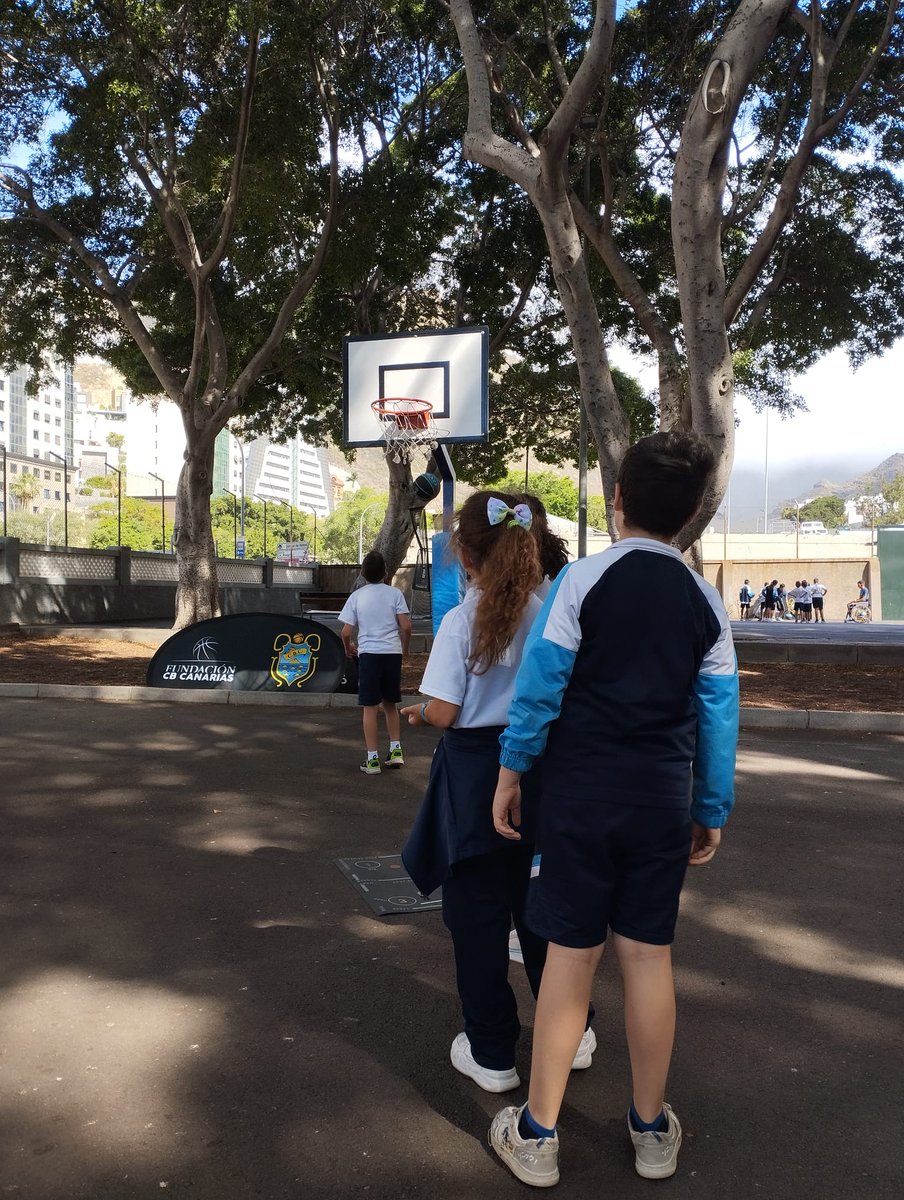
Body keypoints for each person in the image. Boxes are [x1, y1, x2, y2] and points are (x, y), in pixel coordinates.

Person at [487, 431, 739, 1188]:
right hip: (661, 803)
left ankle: (536, 1136)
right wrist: (710, 805)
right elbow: (719, 713)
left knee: (571, 959)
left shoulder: (582, 582)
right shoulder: (704, 600)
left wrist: (511, 771)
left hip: (578, 802)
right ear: (692, 513)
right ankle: (651, 1129)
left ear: (616, 499)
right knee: (647, 958)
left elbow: (539, 690)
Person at [400, 491, 595, 1095]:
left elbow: (446, 709)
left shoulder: (461, 621)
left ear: (464, 553)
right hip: (543, 770)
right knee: (545, 910)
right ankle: (576, 1034)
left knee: (477, 915)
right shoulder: (554, 613)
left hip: (473, 774)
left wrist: (418, 712)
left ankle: (491, 1051)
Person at [338, 550, 411, 774]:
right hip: (392, 653)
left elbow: (346, 631)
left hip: (369, 654)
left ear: (363, 573)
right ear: (386, 573)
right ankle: (396, 750)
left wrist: (348, 648)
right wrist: (405, 650)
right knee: (390, 704)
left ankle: (372, 759)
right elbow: (406, 627)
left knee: (370, 708)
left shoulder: (357, 596)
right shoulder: (395, 594)